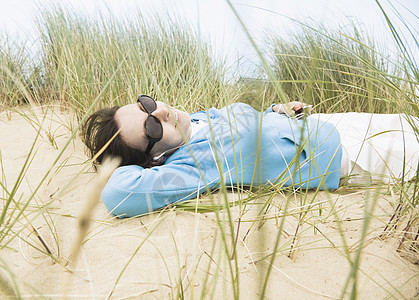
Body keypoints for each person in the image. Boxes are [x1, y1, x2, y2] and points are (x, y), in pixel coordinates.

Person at [81, 95, 419, 218]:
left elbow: (240, 117)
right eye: (151, 128)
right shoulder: (187, 167)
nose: (163, 113)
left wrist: (276, 111)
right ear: (153, 158)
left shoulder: (197, 119)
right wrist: (112, 167)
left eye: (148, 105)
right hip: (347, 154)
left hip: (332, 123)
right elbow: (119, 194)